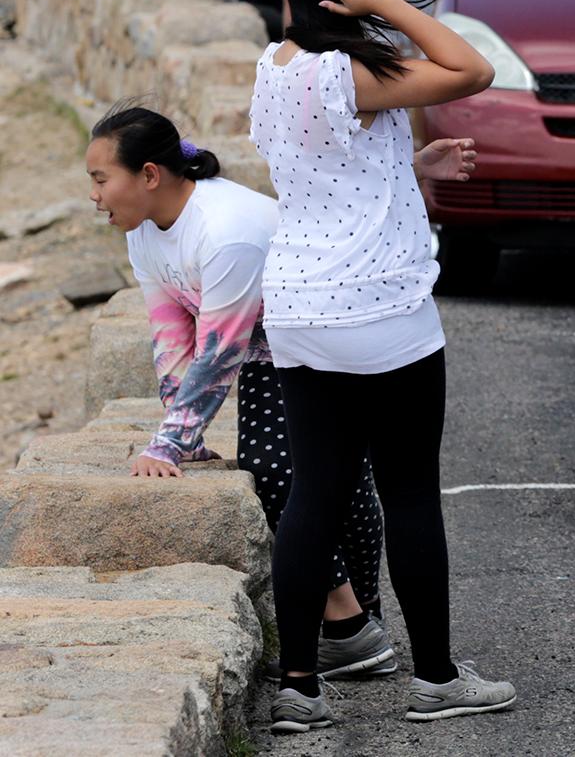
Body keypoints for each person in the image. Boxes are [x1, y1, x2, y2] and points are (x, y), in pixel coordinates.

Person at [254, 0, 511, 733]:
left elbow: (330, 168)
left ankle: (299, 688)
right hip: (383, 308)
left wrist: (414, 160)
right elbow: (472, 70)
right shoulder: (357, 73)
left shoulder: (274, 67)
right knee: (409, 494)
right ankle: (435, 678)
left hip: (298, 310)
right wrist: (387, 7)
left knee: (313, 497)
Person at [84, 106, 404, 685]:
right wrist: (186, 438)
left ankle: (349, 627)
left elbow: (219, 352)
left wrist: (168, 445)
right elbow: (172, 335)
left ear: (149, 175)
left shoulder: (224, 230)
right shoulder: (145, 234)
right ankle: (360, 629)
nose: (94, 195)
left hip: (333, 328)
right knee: (326, 471)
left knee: (283, 469)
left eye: (101, 179)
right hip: (274, 340)